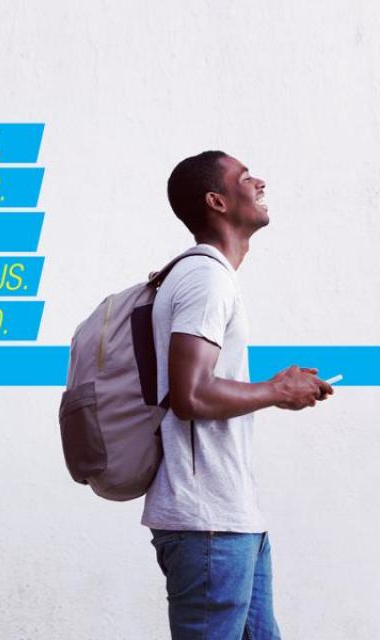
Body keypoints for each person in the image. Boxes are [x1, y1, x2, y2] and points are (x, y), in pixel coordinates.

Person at [141, 150, 333, 640]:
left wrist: (279, 387)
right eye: (246, 178)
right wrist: (275, 389)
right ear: (217, 201)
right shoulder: (206, 277)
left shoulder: (211, 276)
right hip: (209, 526)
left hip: (233, 520)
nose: (260, 182)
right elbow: (191, 395)